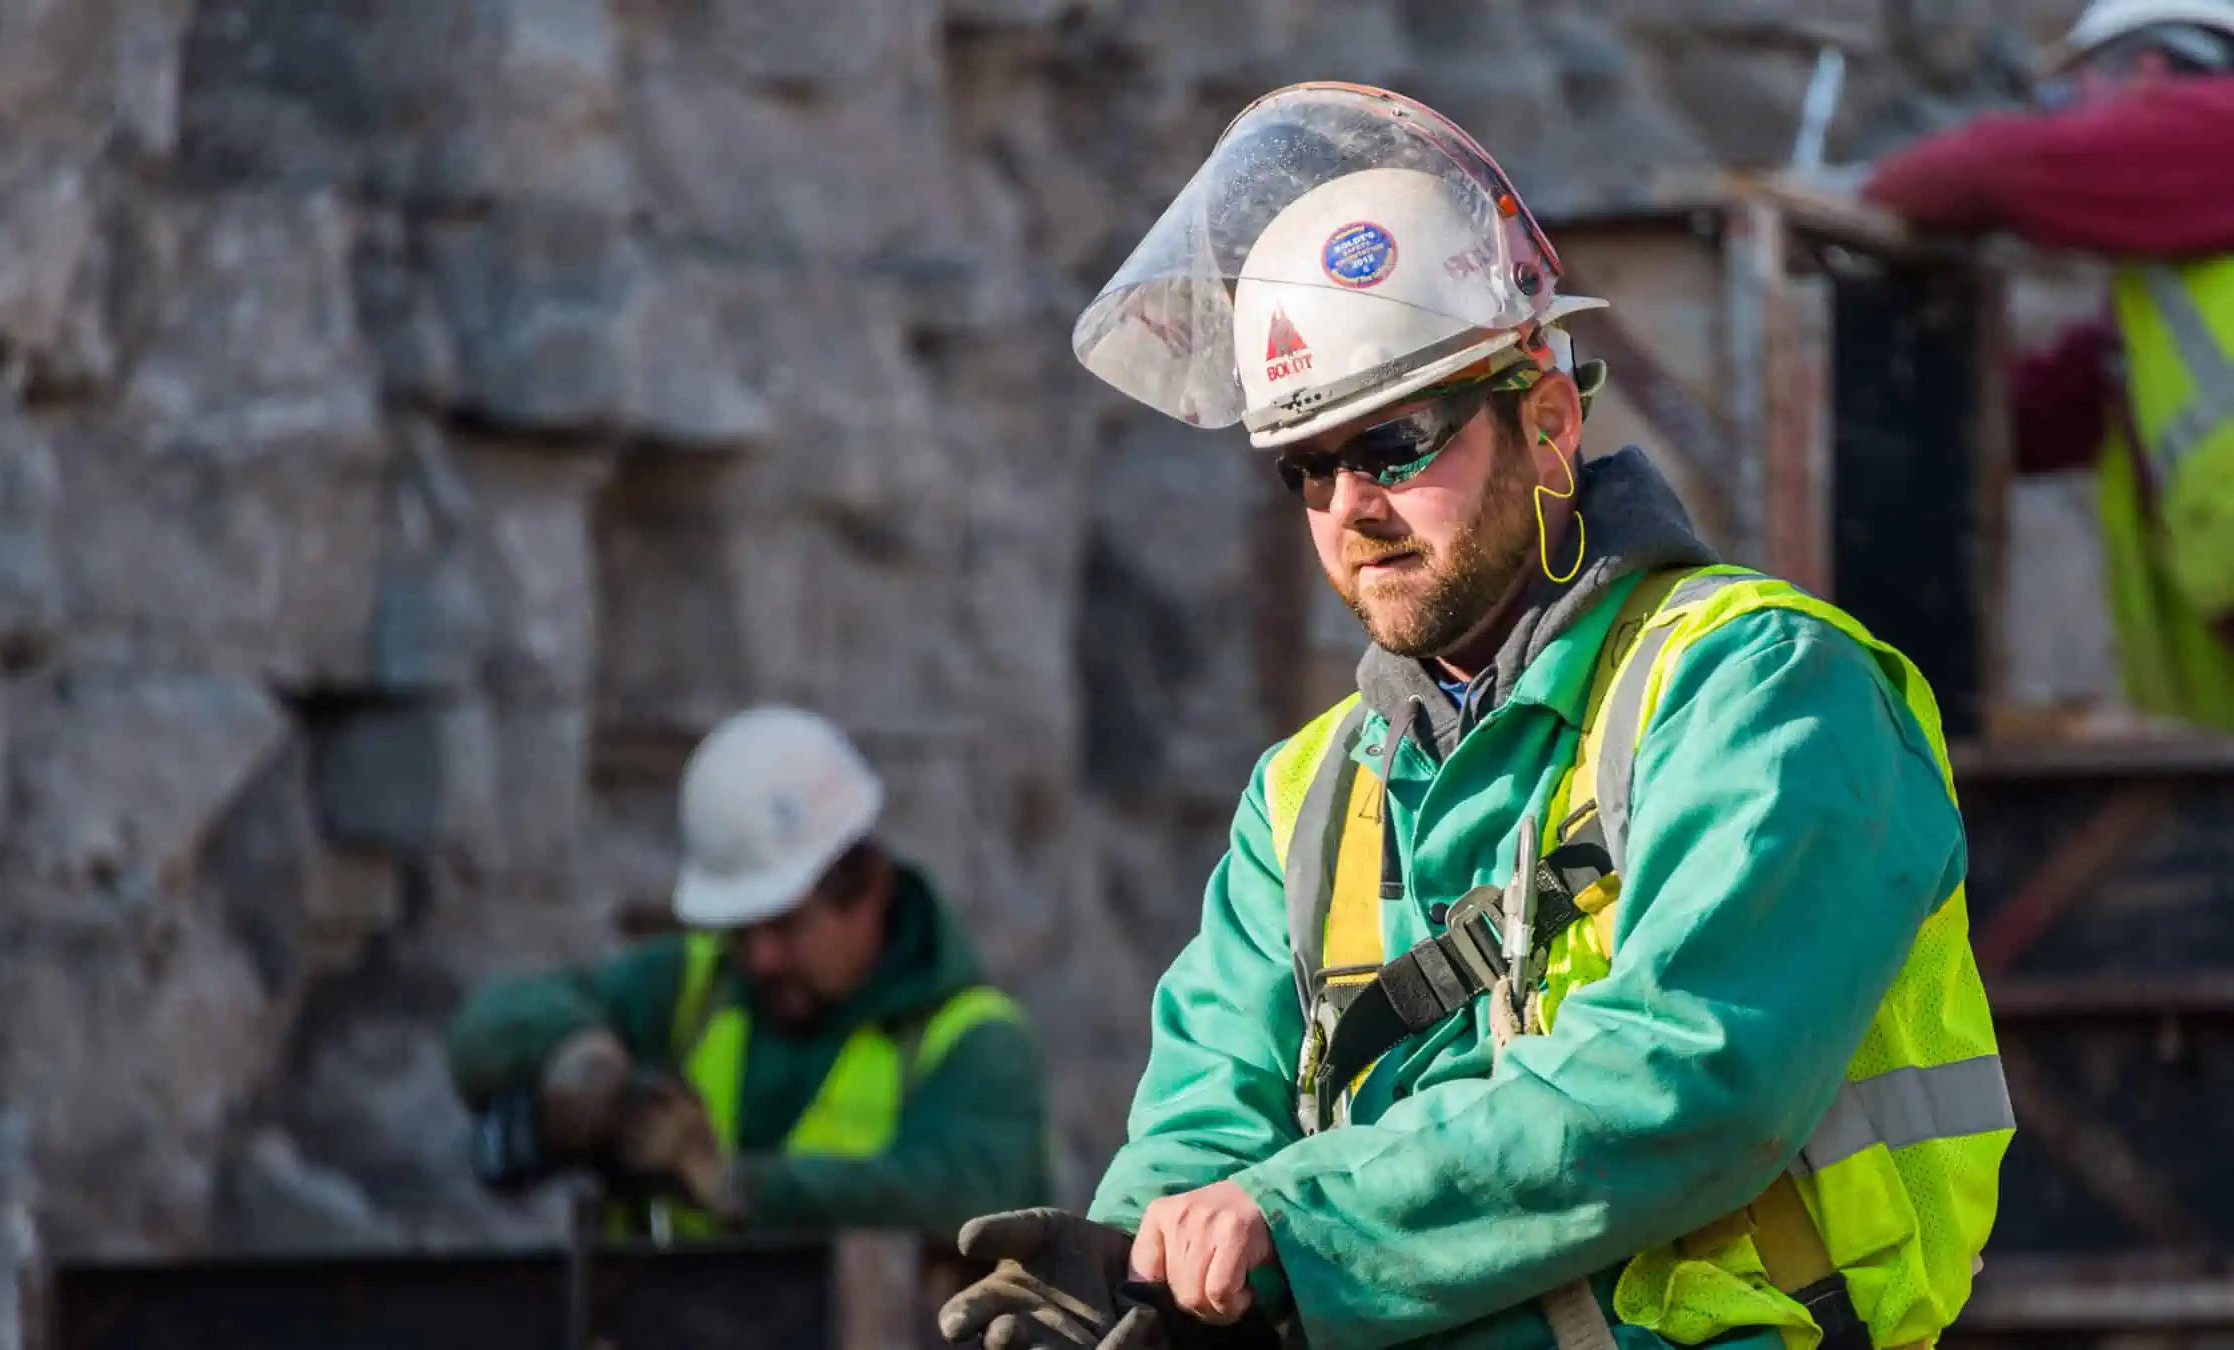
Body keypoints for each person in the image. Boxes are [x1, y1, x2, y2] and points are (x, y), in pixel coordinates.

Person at [937, 83, 2013, 1350]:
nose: (1351, 505)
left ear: (1549, 425)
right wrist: (1127, 1270)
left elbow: (1697, 1081)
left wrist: (1290, 1223)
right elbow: (1206, 1118)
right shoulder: (1306, 795)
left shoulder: (1763, 690)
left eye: (1395, 442)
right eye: (1310, 465)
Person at [445, 704, 1054, 1242]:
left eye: (785, 926)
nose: (760, 958)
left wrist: (737, 1185)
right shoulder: (692, 989)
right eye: (742, 930)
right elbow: (489, 1029)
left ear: (865, 891)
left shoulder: (975, 1044)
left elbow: (963, 1198)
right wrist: (580, 1064)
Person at [1861, 0, 2234, 733]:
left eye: (2073, 95)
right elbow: (2033, 414)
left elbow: (1996, 170)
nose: (2063, 119)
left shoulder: (2219, 132)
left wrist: (1870, 196)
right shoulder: (2183, 278)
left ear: (2154, 71)